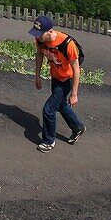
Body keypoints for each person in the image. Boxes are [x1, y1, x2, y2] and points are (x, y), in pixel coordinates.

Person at [30, 15, 85, 152]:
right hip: (55, 76)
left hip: (67, 79)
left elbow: (76, 68)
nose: (37, 37)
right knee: (60, 105)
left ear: (50, 31)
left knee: (48, 109)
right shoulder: (40, 40)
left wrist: (74, 93)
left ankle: (48, 141)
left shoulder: (67, 43)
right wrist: (37, 76)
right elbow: (39, 55)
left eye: (39, 34)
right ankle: (78, 127)